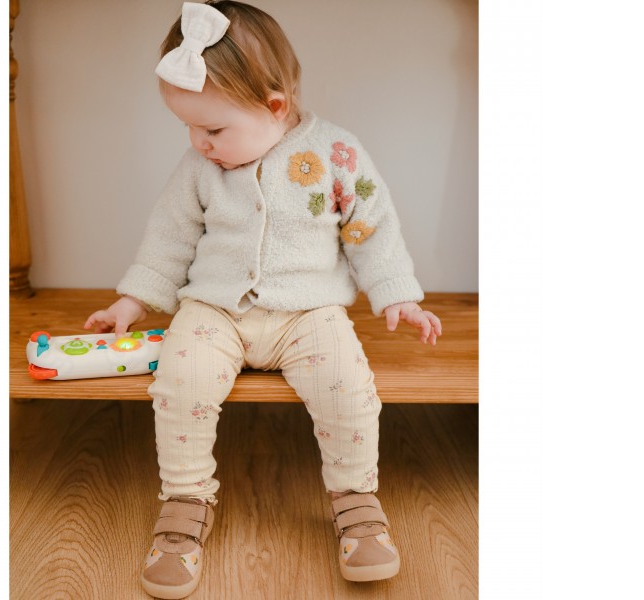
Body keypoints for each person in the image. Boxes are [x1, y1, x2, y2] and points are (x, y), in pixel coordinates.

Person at [84, 2, 442, 597]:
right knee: (179, 383)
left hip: (309, 312)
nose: (199, 143)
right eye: (189, 129)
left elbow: (370, 229)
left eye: (213, 130)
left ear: (275, 107)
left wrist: (397, 295)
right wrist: (133, 301)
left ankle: (356, 502)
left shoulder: (337, 154)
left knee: (348, 389)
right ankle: (185, 504)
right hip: (215, 310)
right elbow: (170, 237)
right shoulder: (200, 169)